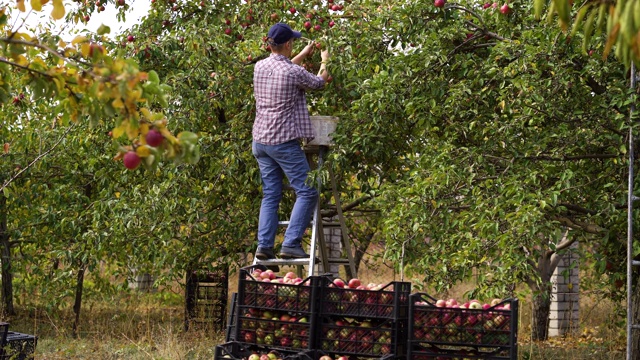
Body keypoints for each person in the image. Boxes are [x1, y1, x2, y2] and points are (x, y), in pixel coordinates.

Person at [252, 23, 331, 262]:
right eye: (293, 43)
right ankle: (290, 243)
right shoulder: (292, 73)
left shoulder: (260, 66)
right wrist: (324, 60)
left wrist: (303, 54)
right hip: (283, 141)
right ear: (287, 44)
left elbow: (282, 71)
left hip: (260, 141)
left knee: (271, 194)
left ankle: (264, 246)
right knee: (308, 191)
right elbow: (319, 82)